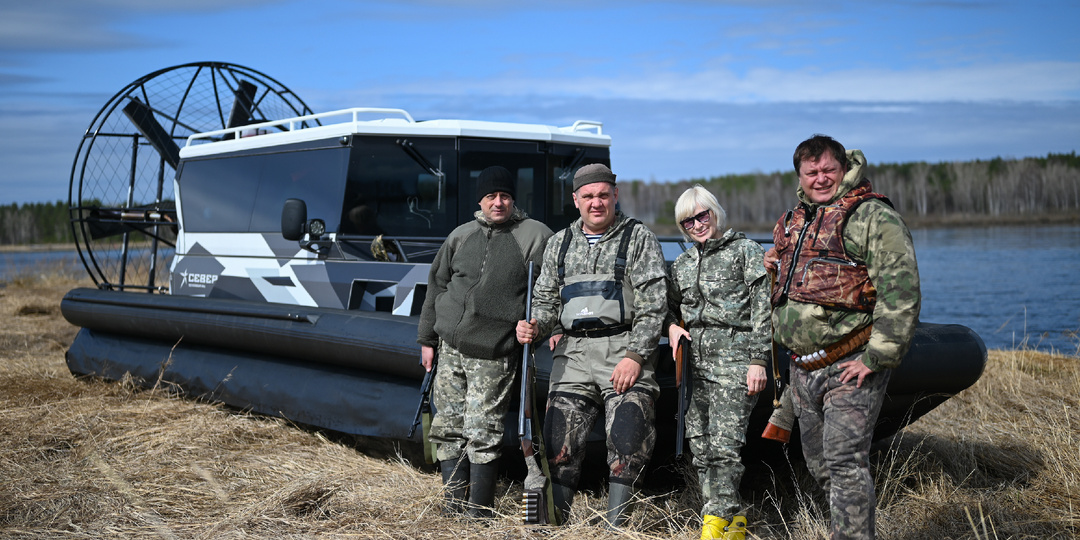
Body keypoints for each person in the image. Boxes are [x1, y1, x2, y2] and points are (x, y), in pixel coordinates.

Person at [764, 135, 921, 540]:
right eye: (811, 172)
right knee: (820, 464)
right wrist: (771, 269)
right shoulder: (793, 220)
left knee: (845, 461)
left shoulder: (871, 217)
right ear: (799, 175)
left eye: (827, 170)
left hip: (849, 362)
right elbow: (788, 290)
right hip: (803, 368)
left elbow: (900, 291)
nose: (820, 178)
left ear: (844, 167)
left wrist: (875, 357)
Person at [515, 163, 668, 528]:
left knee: (628, 436)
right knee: (557, 443)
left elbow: (654, 304)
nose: (596, 203)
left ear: (615, 195)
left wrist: (635, 357)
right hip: (574, 355)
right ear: (575, 200)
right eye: (588, 196)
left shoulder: (638, 238)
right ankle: (552, 527)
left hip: (624, 349)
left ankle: (617, 530)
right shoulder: (559, 243)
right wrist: (534, 327)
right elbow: (547, 302)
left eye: (603, 195)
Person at [416, 165, 553, 518]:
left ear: (513, 199)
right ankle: (453, 506)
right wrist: (427, 338)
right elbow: (437, 285)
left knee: (483, 429)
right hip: (450, 347)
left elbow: (549, 288)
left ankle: (478, 512)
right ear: (481, 199)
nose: (498, 202)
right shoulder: (461, 235)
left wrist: (537, 326)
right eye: (491, 196)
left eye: (505, 195)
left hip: (493, 350)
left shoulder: (534, 235)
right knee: (447, 426)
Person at [664, 186, 770, 539]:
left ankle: (714, 526)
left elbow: (762, 309)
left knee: (725, 449)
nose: (697, 224)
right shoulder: (681, 264)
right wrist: (673, 327)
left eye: (702, 215)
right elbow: (667, 306)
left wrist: (758, 360)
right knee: (701, 450)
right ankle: (735, 524)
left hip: (735, 363)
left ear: (714, 212)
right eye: (688, 220)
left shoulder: (744, 252)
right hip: (696, 368)